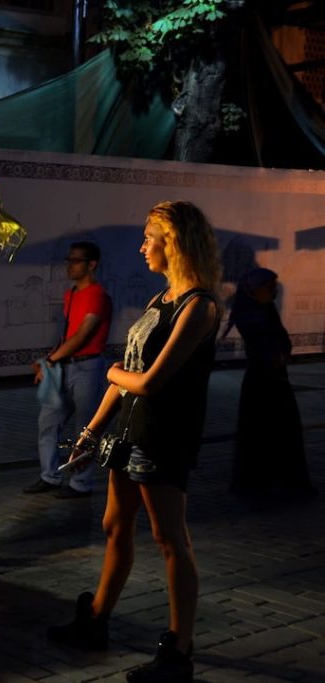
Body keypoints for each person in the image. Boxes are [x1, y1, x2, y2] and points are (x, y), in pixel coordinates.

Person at [49, 200, 221, 683]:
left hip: (162, 437)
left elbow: (148, 381)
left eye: (150, 238)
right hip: (127, 434)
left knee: (170, 540)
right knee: (113, 526)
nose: (142, 246)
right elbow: (124, 384)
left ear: (175, 243)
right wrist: (89, 432)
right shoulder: (159, 300)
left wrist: (111, 369)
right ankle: (96, 620)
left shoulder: (198, 306)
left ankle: (178, 651)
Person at [24, 241, 112, 498]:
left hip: (88, 368)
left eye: (75, 260)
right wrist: (50, 360)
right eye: (69, 260)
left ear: (91, 264)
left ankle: (80, 483)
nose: (69, 265)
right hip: (65, 366)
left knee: (85, 430)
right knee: (48, 422)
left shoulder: (97, 295)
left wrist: (50, 361)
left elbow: (83, 336)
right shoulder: (71, 294)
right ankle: (49, 476)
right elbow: (68, 336)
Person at [228, 268, 316, 498]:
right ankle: (262, 482)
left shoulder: (263, 309)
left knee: (281, 431)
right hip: (262, 381)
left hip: (274, 380)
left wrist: (280, 353)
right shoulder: (251, 314)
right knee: (262, 432)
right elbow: (267, 343)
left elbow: (281, 340)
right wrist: (276, 354)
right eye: (269, 288)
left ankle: (277, 480)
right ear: (255, 289)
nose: (274, 292)